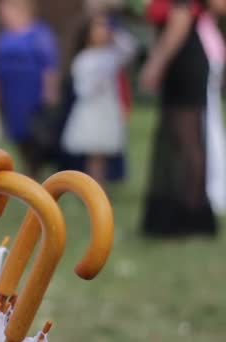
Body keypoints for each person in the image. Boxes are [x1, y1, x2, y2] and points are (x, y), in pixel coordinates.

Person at [140, 0, 226, 236]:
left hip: (184, 59)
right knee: (184, 139)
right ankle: (186, 209)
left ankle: (191, 214)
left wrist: (155, 64)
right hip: (182, 60)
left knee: (189, 139)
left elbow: (180, 22)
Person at [60, 14, 136, 184]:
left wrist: (116, 31)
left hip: (106, 110)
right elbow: (81, 88)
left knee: (101, 154)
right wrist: (96, 84)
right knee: (93, 153)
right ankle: (92, 187)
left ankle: (98, 186)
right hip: (90, 111)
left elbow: (130, 49)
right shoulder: (83, 59)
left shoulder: (111, 55)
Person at [0, 0, 59, 179]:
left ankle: (36, 172)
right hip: (11, 93)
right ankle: (25, 171)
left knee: (35, 135)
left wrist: (49, 94)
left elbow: (49, 66)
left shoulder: (39, 33)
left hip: (31, 91)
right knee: (18, 134)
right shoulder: (4, 35)